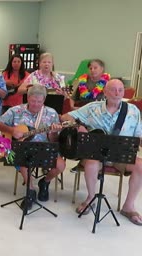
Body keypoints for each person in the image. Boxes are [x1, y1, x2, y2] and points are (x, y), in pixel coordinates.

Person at [61, 79, 142, 225]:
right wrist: (79, 126)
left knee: (140, 165)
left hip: (121, 154)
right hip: (95, 152)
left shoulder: (133, 111)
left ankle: (128, 206)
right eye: (113, 90)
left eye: (120, 90)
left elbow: (139, 136)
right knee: (91, 163)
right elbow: (65, 117)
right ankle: (91, 198)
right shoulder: (93, 107)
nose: (117, 93)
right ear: (105, 92)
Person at [0, 84, 65, 207]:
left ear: (44, 100)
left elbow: (54, 140)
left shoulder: (52, 113)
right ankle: (30, 189)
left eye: (39, 101)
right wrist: (12, 131)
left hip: (45, 147)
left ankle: (45, 182)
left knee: (61, 165)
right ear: (28, 98)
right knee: (23, 156)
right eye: (33, 101)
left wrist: (53, 133)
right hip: (23, 148)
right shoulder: (16, 110)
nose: (36, 104)